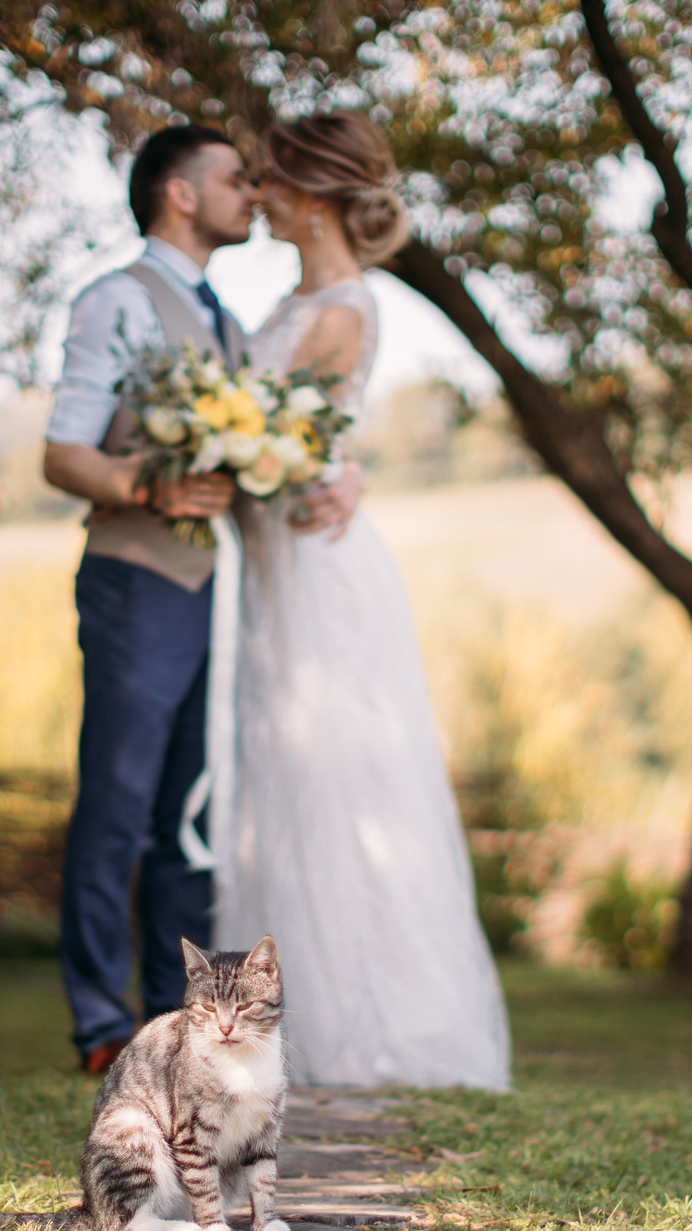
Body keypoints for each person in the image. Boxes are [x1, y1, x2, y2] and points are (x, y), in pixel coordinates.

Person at [42, 126, 360, 1076]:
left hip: (219, 592)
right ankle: (101, 1021)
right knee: (119, 804)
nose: (252, 194)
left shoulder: (226, 317)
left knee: (190, 816)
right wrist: (152, 488)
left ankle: (171, 1017)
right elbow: (62, 453)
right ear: (178, 193)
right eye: (233, 179)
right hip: (138, 580)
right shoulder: (115, 301)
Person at [214, 112, 511, 1090]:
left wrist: (231, 451)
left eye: (270, 180)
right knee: (284, 779)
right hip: (280, 559)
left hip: (316, 564)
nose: (257, 194)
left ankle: (364, 1028)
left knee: (335, 783)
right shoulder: (295, 300)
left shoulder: (340, 308)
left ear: (311, 196)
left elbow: (290, 451)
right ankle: (278, 1019)